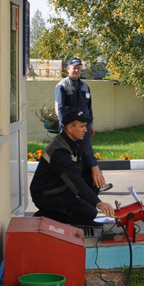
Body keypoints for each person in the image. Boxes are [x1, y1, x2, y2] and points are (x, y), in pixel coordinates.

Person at [30, 110, 114, 226]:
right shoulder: (59, 150)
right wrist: (98, 203)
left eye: (85, 126)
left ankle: (77, 211)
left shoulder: (71, 141)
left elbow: (86, 158)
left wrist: (95, 167)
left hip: (62, 188)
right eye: (82, 126)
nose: (86, 130)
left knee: (93, 176)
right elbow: (75, 181)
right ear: (70, 128)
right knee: (89, 213)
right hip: (47, 195)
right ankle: (46, 214)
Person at [54, 57, 108, 192]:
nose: (77, 70)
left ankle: (97, 183)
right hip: (69, 129)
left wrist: (90, 124)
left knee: (87, 153)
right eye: (74, 68)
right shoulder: (62, 86)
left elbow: (89, 107)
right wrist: (65, 128)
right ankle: (67, 185)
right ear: (68, 69)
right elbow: (60, 109)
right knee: (68, 156)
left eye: (79, 68)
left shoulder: (84, 86)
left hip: (83, 128)